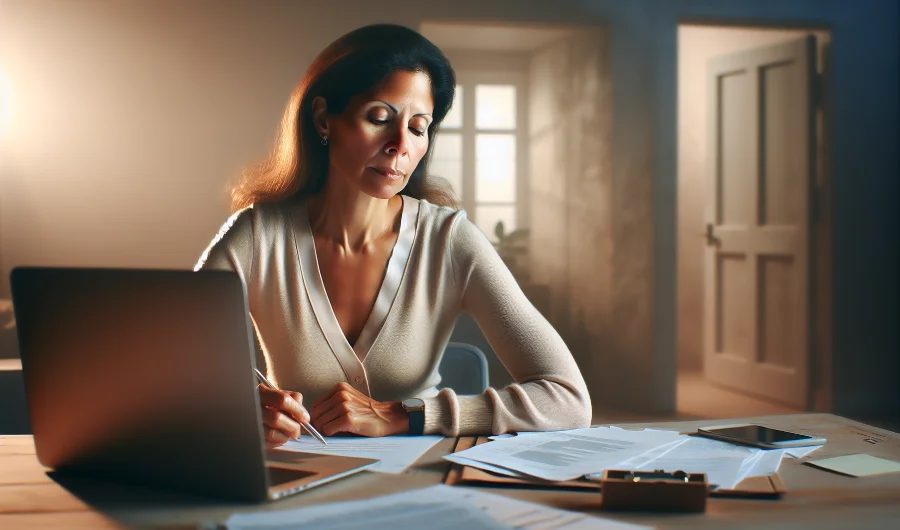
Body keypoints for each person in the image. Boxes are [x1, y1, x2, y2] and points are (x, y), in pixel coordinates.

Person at [196, 24, 590, 447]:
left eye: (419, 128)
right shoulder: (258, 236)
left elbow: (567, 398)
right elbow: (157, 370)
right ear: (323, 118)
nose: (400, 144)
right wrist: (237, 403)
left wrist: (402, 415)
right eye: (379, 118)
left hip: (422, 483)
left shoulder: (449, 241)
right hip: (297, 481)